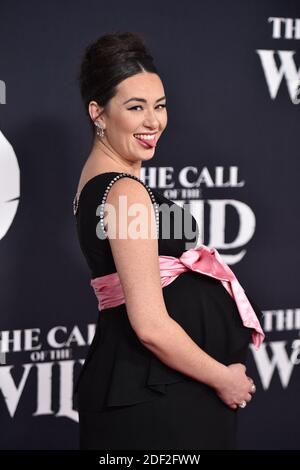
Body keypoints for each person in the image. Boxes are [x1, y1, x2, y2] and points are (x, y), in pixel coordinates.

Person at [72, 31, 264, 450]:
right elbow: (151, 326)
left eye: (159, 106)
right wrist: (224, 378)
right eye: (135, 107)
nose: (153, 122)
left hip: (161, 388)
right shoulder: (124, 190)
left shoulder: (110, 181)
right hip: (156, 395)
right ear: (98, 113)